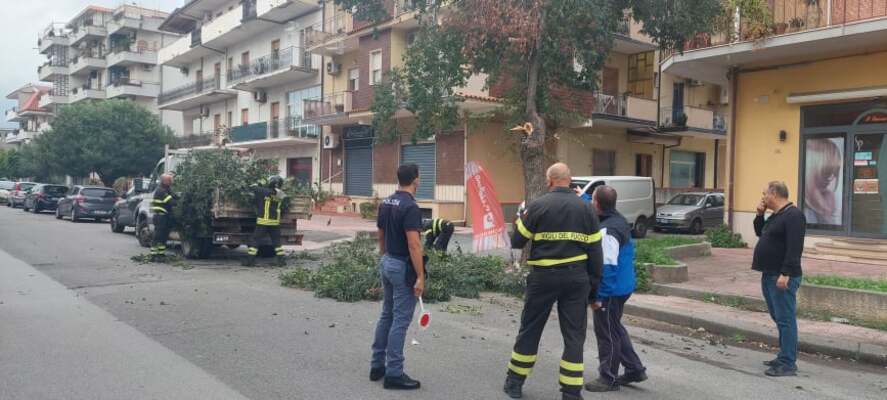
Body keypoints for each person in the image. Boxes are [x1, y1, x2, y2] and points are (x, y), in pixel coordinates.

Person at [503, 163, 604, 400]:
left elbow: (517, 241)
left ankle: (515, 383)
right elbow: (596, 253)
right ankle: (570, 392)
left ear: (549, 181)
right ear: (569, 181)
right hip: (576, 279)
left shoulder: (538, 205)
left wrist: (520, 219)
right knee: (574, 337)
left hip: (543, 278)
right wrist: (593, 288)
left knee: (530, 329)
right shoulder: (587, 208)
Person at [584, 186, 647, 393]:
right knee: (615, 328)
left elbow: (608, 267)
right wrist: (583, 197)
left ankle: (607, 377)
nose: (591, 203)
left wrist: (599, 297)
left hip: (612, 290)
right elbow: (599, 205)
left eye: (592, 200)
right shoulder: (617, 218)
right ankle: (635, 369)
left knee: (607, 333)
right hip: (624, 285)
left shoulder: (608, 232)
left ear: (598, 204)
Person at [370, 163, 426, 390]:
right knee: (401, 321)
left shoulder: (386, 202)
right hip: (402, 265)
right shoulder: (411, 207)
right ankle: (394, 373)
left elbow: (380, 236)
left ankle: (377, 366)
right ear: (415, 179)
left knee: (387, 315)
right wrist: (420, 276)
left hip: (388, 261)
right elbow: (414, 244)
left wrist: (385, 260)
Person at [753, 181, 805, 377]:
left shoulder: (794, 216)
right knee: (779, 317)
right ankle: (784, 354)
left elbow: (794, 248)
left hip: (782, 276)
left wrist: (786, 274)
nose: (763, 197)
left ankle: (788, 363)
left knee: (785, 319)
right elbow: (760, 233)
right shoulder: (777, 215)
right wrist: (759, 215)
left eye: (765, 193)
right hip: (769, 274)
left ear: (774, 194)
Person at [243, 176, 287, 267]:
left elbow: (253, 187)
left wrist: (257, 184)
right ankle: (281, 260)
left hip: (263, 221)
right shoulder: (281, 194)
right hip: (275, 222)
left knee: (255, 240)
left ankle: (250, 260)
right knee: (276, 242)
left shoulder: (264, 191)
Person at [803, 138, 842, 225]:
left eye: (835, 171)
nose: (832, 177)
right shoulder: (808, 215)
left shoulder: (828, 200)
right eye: (827, 171)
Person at [150, 174, 176, 262]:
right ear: (164, 181)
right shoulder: (160, 191)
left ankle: (160, 254)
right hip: (160, 217)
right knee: (158, 236)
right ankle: (153, 255)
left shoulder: (167, 189)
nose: (171, 182)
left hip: (165, 217)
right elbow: (170, 201)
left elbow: (174, 195)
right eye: (170, 180)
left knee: (164, 236)